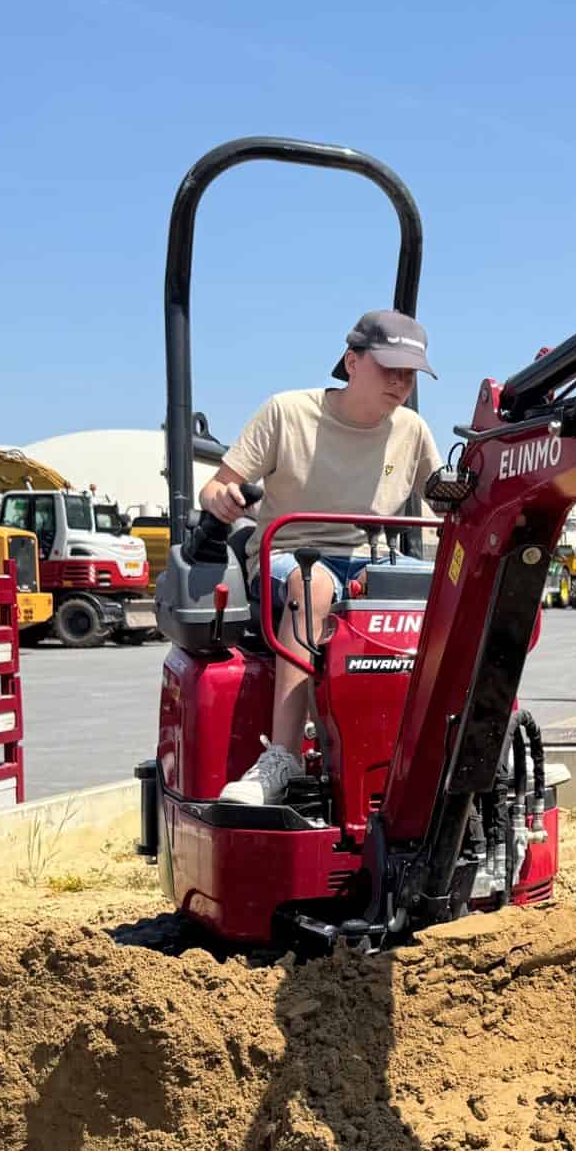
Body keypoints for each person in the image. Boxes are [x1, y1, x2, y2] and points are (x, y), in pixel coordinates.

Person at [198, 309, 442, 805]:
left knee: (446, 590)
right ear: (352, 362)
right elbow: (217, 485)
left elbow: (449, 502)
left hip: (370, 560)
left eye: (409, 373)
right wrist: (220, 497)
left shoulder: (412, 430)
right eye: (389, 368)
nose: (400, 382)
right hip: (287, 557)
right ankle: (282, 756)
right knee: (316, 586)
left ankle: (449, 747)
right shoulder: (287, 413)